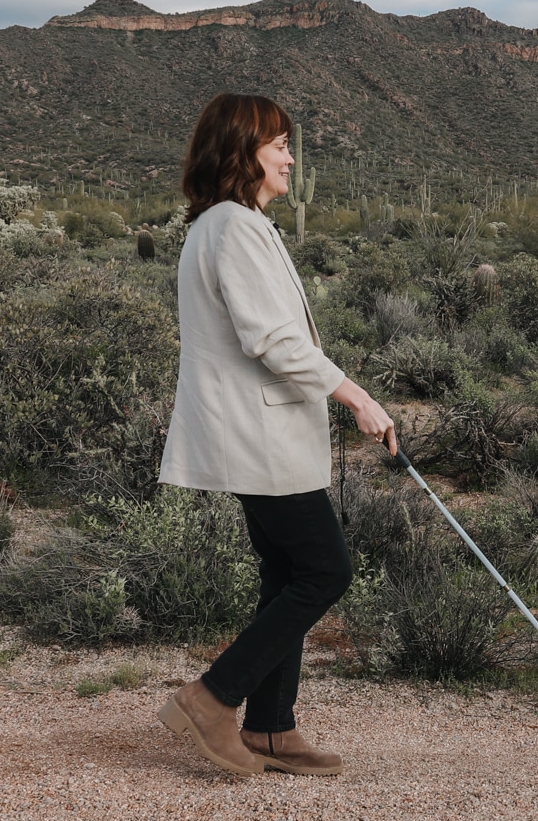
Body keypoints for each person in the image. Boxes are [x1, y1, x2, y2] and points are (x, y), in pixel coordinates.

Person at [156, 92, 397, 777]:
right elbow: (273, 339)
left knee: (288, 572)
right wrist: (356, 396)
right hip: (255, 434)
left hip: (259, 430)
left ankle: (269, 726)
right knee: (325, 569)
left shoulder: (230, 222)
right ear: (242, 151)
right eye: (279, 144)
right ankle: (212, 698)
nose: (290, 156)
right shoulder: (232, 226)